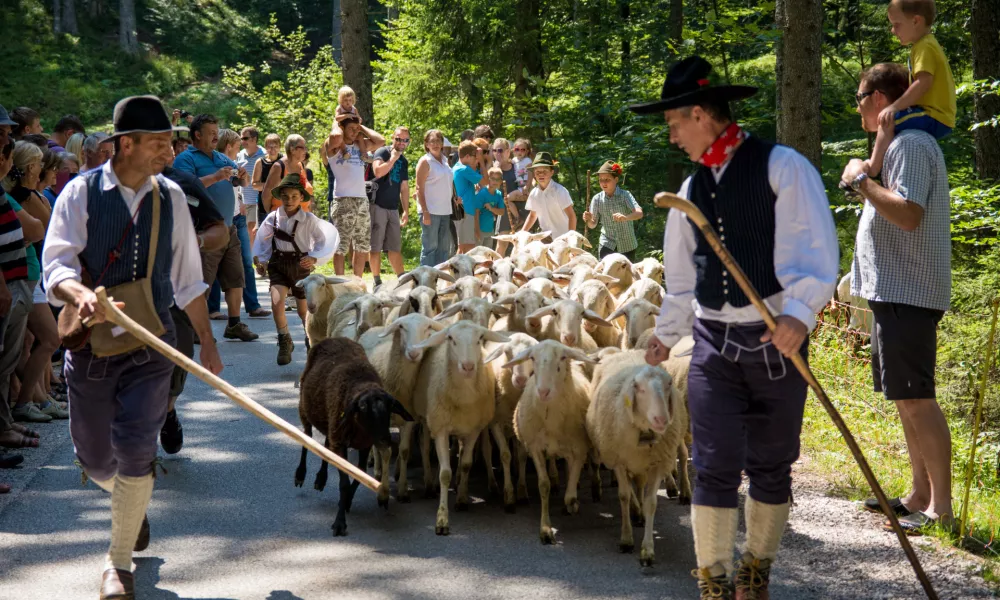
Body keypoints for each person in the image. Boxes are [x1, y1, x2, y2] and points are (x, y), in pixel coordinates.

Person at [631, 56, 838, 599]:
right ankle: (715, 582)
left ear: (700, 114)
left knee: (772, 463)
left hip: (775, 343)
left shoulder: (782, 168)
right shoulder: (688, 193)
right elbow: (680, 281)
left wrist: (799, 314)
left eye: (675, 124)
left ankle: (756, 571)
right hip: (714, 344)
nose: (673, 136)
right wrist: (665, 333)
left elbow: (814, 253)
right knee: (713, 463)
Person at [42, 95, 223, 598]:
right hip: (94, 346)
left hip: (152, 344)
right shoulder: (79, 194)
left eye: (171, 141)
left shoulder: (172, 198)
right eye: (160, 142)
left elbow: (188, 281)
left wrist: (206, 342)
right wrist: (80, 295)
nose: (170, 151)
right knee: (97, 457)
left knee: (138, 444)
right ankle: (132, 502)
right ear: (125, 145)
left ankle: (117, 563)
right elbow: (55, 265)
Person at [840, 62, 953, 535]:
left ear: (881, 98)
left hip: (909, 291)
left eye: (862, 96)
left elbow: (908, 214)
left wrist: (862, 182)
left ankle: (940, 509)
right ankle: (918, 494)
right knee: (904, 397)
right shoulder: (896, 144)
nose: (859, 106)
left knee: (918, 397)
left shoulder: (912, 144)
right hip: (893, 291)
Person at [160, 134, 230, 455]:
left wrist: (195, 242)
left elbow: (219, 230)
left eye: (167, 144)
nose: (163, 151)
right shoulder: (102, 190)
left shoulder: (182, 186)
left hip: (176, 289)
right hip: (126, 296)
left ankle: (168, 410)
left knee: (178, 356)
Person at [173, 114, 258, 341]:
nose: (215, 136)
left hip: (228, 226)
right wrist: (215, 177)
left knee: (235, 277)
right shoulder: (185, 159)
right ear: (197, 135)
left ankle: (234, 324)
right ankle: (191, 328)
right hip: (203, 228)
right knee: (202, 280)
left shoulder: (221, 158)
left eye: (216, 132)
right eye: (211, 133)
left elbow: (242, 183)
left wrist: (242, 177)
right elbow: (185, 189)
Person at [253, 173, 339, 365]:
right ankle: (284, 339)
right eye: (285, 196)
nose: (289, 200)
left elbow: (324, 241)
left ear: (301, 197)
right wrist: (261, 262)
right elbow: (262, 241)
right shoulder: (273, 218)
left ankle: (311, 342)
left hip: (301, 267)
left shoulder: (309, 219)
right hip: (278, 266)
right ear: (279, 197)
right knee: (277, 304)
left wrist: (314, 257)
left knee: (303, 312)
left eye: (294, 196)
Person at [865, 0, 954, 179]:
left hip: (933, 115)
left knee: (887, 120)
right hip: (933, 114)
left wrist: (894, 107)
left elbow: (923, 83)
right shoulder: (924, 45)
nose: (893, 30)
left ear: (916, 21)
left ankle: (873, 167)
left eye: (896, 25)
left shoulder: (924, 47)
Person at [2, 141, 57, 424]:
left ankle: (38, 398)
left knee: (29, 342)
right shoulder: (21, 195)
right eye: (37, 163)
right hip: (24, 275)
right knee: (45, 339)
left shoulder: (24, 194)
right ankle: (28, 402)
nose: (43, 169)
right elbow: (44, 227)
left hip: (30, 273)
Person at [0, 137, 39, 493]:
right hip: (7, 286)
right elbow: (35, 227)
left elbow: (37, 228)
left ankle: (4, 425)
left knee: (7, 362)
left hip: (16, 281)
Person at [211, 128, 268, 318]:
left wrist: (241, 199)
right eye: (237, 147)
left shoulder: (234, 163)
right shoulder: (214, 163)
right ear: (228, 146)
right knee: (216, 262)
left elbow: (242, 186)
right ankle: (214, 308)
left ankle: (253, 305)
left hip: (238, 218)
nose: (239, 149)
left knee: (245, 260)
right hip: (220, 218)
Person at [326, 115, 385, 277]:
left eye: (355, 129)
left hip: (362, 200)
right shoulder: (334, 146)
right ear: (342, 128)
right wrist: (340, 120)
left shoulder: (361, 145)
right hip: (343, 200)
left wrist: (361, 126)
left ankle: (356, 283)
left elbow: (380, 141)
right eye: (350, 128)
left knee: (362, 246)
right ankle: (340, 283)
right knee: (341, 246)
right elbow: (336, 136)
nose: (354, 131)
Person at [369, 126, 410, 286]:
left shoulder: (404, 161)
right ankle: (376, 280)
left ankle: (402, 278)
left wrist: (406, 210)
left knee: (394, 246)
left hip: (393, 208)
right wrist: (392, 158)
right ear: (393, 138)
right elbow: (378, 171)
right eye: (398, 139)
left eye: (404, 140)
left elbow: (404, 188)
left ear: (408, 142)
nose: (401, 142)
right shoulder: (382, 152)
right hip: (377, 205)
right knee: (375, 246)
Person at [582, 161, 643, 261]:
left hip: (627, 244)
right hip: (607, 244)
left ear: (616, 179)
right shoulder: (597, 199)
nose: (604, 183)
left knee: (625, 275)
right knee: (605, 273)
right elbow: (592, 225)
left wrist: (626, 217)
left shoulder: (625, 195)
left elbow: (639, 213)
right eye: (601, 180)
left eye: (607, 179)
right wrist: (588, 220)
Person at [415, 129, 455, 266]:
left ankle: (440, 281)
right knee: (430, 249)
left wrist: (455, 198)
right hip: (430, 212)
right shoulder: (425, 161)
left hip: (445, 211)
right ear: (426, 144)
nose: (436, 144)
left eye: (438, 141)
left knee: (444, 250)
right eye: (432, 141)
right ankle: (425, 282)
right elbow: (419, 188)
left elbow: (447, 183)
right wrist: (425, 211)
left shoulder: (445, 161)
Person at [521, 152, 576, 239]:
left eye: (545, 171)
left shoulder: (560, 191)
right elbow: (532, 215)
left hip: (563, 237)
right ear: (534, 174)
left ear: (552, 172)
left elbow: (571, 216)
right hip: (546, 238)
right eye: (538, 172)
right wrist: (522, 234)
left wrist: (570, 238)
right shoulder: (534, 194)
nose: (541, 174)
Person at [453, 140, 490, 253]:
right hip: (465, 211)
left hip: (462, 211)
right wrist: (482, 162)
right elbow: (486, 181)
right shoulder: (464, 169)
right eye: (475, 157)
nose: (476, 159)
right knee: (468, 247)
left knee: (463, 246)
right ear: (468, 156)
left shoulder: (457, 167)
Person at [237, 126, 264, 246]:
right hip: (243, 202)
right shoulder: (239, 155)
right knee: (246, 233)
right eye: (241, 138)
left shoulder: (264, 155)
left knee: (253, 232)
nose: (242, 141)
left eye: (245, 138)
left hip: (257, 201)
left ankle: (253, 261)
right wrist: (240, 200)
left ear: (254, 139)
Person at [471, 167, 505, 250]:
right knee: (477, 254)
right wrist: (477, 231)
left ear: (501, 182)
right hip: (480, 229)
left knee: (487, 254)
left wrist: (491, 208)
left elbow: (502, 212)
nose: (495, 182)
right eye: (493, 179)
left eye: (498, 179)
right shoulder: (482, 194)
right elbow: (476, 213)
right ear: (488, 180)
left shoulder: (498, 194)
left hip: (490, 230)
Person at [252, 133, 282, 216]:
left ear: (280, 147)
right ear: (265, 147)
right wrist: (272, 186)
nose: (272, 149)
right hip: (264, 206)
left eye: (275, 146)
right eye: (269, 147)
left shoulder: (284, 161)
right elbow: (255, 185)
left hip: (282, 206)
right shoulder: (260, 162)